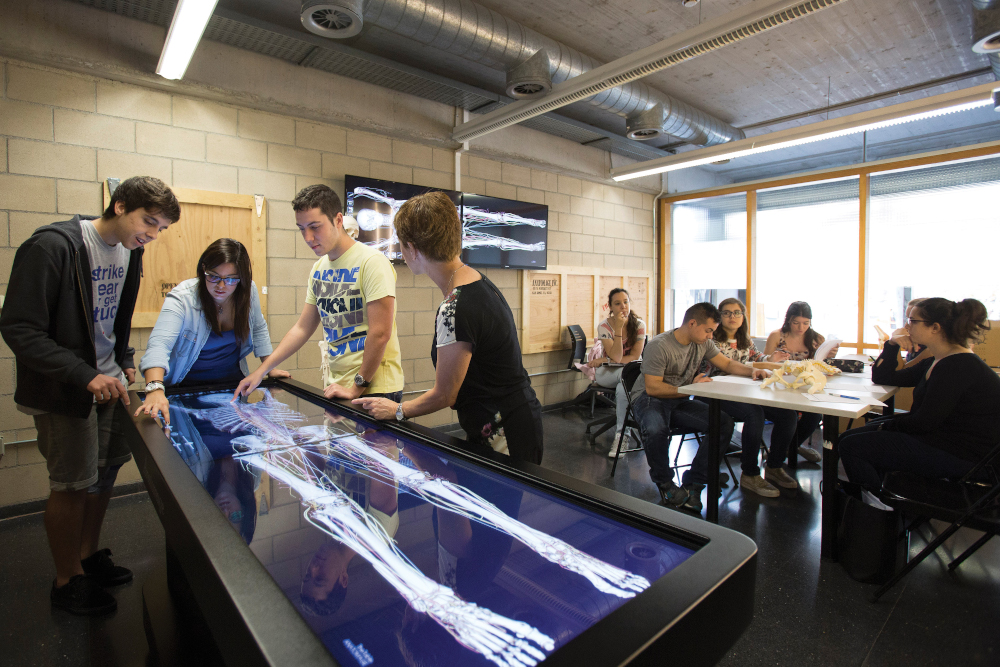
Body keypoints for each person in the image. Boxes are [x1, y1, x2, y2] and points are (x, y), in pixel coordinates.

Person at [0, 176, 180, 615]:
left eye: (160, 228)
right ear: (119, 206)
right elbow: (19, 328)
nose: (152, 235)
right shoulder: (52, 246)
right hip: (65, 390)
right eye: (149, 221)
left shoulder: (130, 252)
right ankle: (67, 580)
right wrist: (84, 375)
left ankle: (86, 556)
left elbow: (112, 319)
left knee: (104, 474)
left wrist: (125, 357)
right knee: (72, 484)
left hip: (109, 382)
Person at [352, 191, 544, 465]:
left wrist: (397, 410)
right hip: (511, 418)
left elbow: (445, 394)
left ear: (412, 249)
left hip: (506, 431)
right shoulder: (475, 282)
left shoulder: (455, 306)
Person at [234, 184, 403, 404]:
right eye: (302, 228)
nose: (308, 237)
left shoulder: (372, 262)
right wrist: (262, 370)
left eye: (315, 227)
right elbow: (302, 329)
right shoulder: (319, 268)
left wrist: (356, 388)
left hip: (374, 387)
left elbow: (380, 333)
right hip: (338, 385)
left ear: (338, 220)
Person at [840, 298, 1000, 491]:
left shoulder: (958, 366)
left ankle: (875, 504)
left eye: (913, 321)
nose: (907, 327)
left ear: (935, 328)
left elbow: (924, 422)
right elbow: (884, 377)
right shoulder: (938, 360)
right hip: (945, 440)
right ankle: (881, 496)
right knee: (848, 437)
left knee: (852, 446)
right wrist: (892, 344)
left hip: (968, 456)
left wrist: (884, 426)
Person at [631, 302, 770, 513]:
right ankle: (666, 485)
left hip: (678, 397)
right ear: (692, 323)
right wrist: (690, 388)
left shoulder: (703, 343)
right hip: (649, 398)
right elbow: (653, 388)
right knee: (655, 428)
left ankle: (694, 484)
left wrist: (752, 371)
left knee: (722, 423)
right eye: (708, 330)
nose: (711, 336)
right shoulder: (660, 345)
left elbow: (727, 364)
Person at [134, 238, 290, 426]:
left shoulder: (248, 291)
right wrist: (155, 388)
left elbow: (258, 328)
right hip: (186, 390)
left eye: (231, 279)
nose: (221, 286)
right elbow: (159, 344)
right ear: (203, 269)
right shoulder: (183, 297)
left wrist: (269, 368)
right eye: (214, 276)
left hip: (232, 388)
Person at [697, 298, 800, 497]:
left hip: (745, 391)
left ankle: (774, 466)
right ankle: (750, 473)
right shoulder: (710, 339)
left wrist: (770, 359)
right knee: (755, 414)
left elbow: (757, 357)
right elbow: (727, 365)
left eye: (737, 312)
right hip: (715, 392)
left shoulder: (744, 339)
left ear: (743, 317)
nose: (732, 317)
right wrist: (755, 368)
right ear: (719, 316)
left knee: (788, 415)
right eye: (727, 313)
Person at [763, 301, 837, 464]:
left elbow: (822, 367)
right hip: (781, 388)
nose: (801, 327)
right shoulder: (777, 336)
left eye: (806, 323)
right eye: (796, 322)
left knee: (815, 415)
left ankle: (789, 447)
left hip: (805, 388)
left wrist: (830, 357)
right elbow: (765, 363)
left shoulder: (817, 338)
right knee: (787, 415)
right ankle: (785, 450)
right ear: (788, 320)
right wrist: (775, 360)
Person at [586, 287, 646, 457]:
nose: (623, 307)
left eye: (625, 302)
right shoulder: (604, 326)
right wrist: (618, 329)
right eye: (618, 303)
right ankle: (626, 431)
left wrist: (605, 358)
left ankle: (621, 436)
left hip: (628, 372)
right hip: (607, 373)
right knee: (626, 377)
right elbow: (617, 356)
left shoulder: (639, 325)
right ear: (610, 307)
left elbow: (635, 356)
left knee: (623, 386)